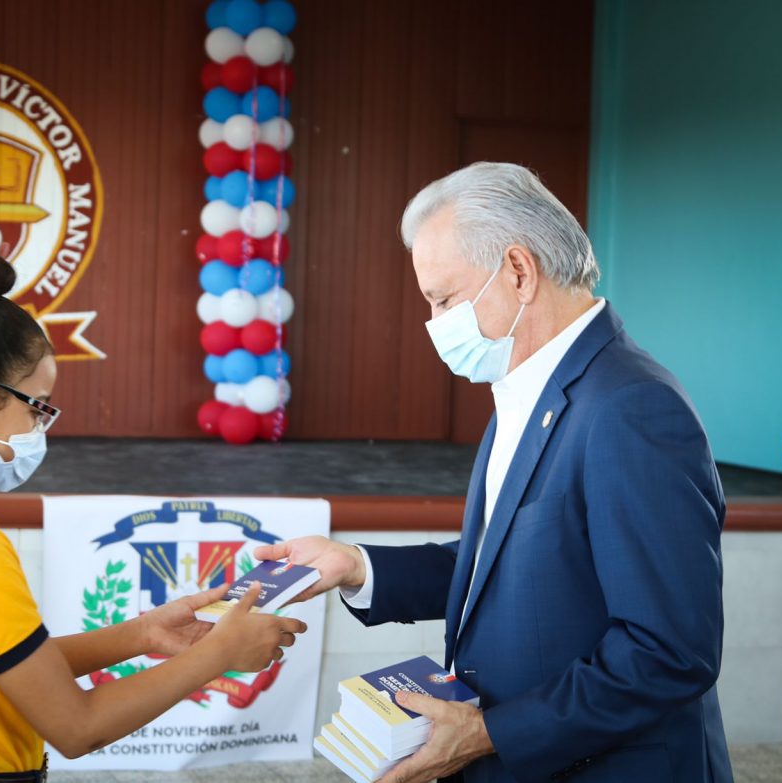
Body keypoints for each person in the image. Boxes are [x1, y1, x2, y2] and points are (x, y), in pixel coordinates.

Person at [257, 163, 731, 783]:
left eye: (444, 299)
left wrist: (485, 734)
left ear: (518, 271)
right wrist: (358, 565)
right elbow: (511, 560)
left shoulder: (631, 408)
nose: (434, 324)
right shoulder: (531, 386)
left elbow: (668, 651)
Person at [0, 248, 306, 781]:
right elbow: (77, 726)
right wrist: (218, 653)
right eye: (36, 406)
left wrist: (141, 635)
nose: (41, 427)